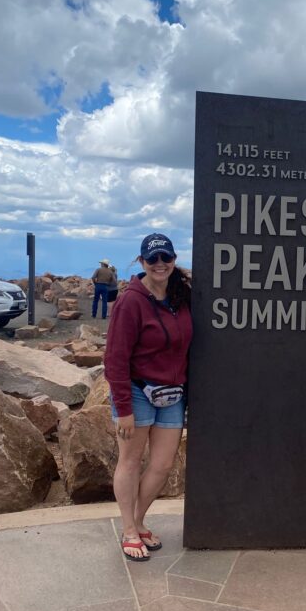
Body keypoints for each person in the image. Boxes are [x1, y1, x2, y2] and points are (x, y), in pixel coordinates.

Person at [104, 234, 192, 561]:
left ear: (173, 259)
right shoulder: (131, 301)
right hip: (137, 392)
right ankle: (128, 529)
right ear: (141, 262)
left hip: (173, 393)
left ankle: (139, 521)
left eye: (165, 258)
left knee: (162, 464)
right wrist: (123, 409)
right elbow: (114, 358)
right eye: (152, 259)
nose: (159, 264)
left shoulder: (182, 296)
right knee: (130, 460)